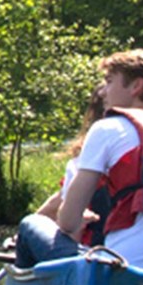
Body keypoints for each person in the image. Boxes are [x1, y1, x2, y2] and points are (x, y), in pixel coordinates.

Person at [15, 49, 143, 282]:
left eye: (109, 82)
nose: (103, 91)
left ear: (137, 86)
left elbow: (67, 222)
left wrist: (76, 218)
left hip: (124, 272)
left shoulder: (109, 128)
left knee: (30, 224)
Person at [34, 85, 110, 247]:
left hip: (90, 251)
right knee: (31, 225)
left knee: (30, 227)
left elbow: (68, 220)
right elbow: (60, 198)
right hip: (115, 248)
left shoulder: (81, 163)